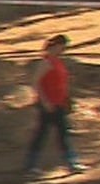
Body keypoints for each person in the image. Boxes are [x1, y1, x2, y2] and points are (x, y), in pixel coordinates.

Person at [24, 35, 86, 176]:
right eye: (63, 46)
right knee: (46, 134)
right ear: (56, 46)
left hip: (58, 104)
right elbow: (35, 82)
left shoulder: (57, 62)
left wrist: (66, 99)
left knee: (59, 134)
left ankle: (68, 163)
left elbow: (61, 83)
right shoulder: (46, 62)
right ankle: (33, 164)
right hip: (49, 105)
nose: (64, 50)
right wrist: (44, 101)